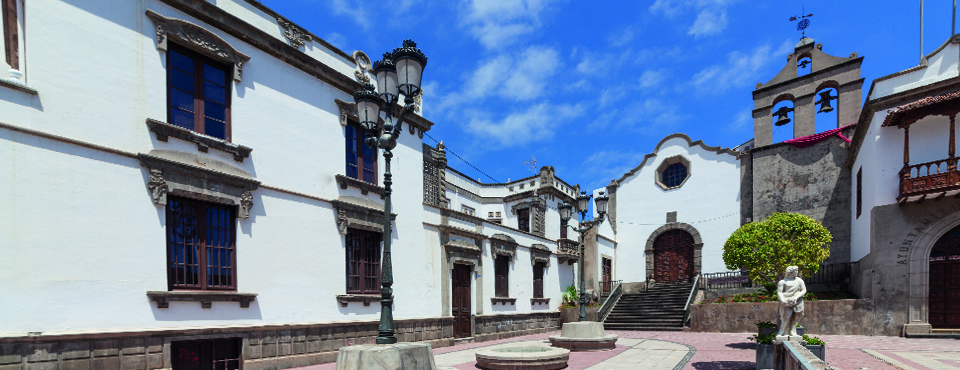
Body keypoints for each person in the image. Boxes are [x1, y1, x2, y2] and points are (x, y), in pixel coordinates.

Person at [777, 266, 807, 336]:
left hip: (798, 300)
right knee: (787, 316)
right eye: (795, 271)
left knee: (797, 315)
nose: (797, 272)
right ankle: (783, 331)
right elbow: (779, 292)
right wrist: (783, 300)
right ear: (790, 272)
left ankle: (793, 331)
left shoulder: (799, 281)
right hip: (787, 301)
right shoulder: (783, 282)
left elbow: (803, 290)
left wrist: (796, 297)